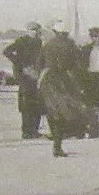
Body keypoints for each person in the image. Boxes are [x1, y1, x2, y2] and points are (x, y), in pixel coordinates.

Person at [37, 21, 89, 157]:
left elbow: (39, 64)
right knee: (67, 109)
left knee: (52, 110)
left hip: (48, 79)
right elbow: (79, 64)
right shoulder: (71, 45)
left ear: (55, 32)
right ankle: (59, 143)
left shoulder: (48, 44)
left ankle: (56, 141)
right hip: (66, 79)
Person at [3, 21, 44, 139]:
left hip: (35, 75)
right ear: (28, 31)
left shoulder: (38, 41)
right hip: (24, 76)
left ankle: (34, 131)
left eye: (37, 30)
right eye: (33, 30)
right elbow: (6, 51)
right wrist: (20, 64)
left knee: (37, 103)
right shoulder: (21, 41)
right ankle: (26, 132)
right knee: (26, 104)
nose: (35, 32)